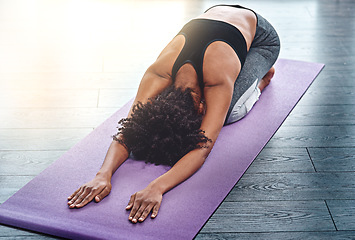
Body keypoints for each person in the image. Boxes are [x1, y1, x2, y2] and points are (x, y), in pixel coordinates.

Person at [67, 4, 280, 224]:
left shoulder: (217, 79)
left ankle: (261, 79)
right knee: (148, 119)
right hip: (216, 15)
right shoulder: (159, 71)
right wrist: (103, 174)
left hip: (261, 40)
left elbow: (202, 149)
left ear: (199, 107)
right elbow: (129, 127)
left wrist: (157, 187)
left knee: (229, 113)